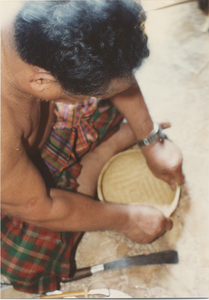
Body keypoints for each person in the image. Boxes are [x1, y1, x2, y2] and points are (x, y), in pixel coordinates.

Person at [1, 0, 185, 294]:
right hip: (17, 192)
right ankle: (97, 156)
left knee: (103, 92)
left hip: (28, 151)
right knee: (28, 269)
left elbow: (111, 60)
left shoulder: (51, 18)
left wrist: (149, 137)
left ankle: (90, 157)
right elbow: (40, 207)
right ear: (41, 81)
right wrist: (127, 219)